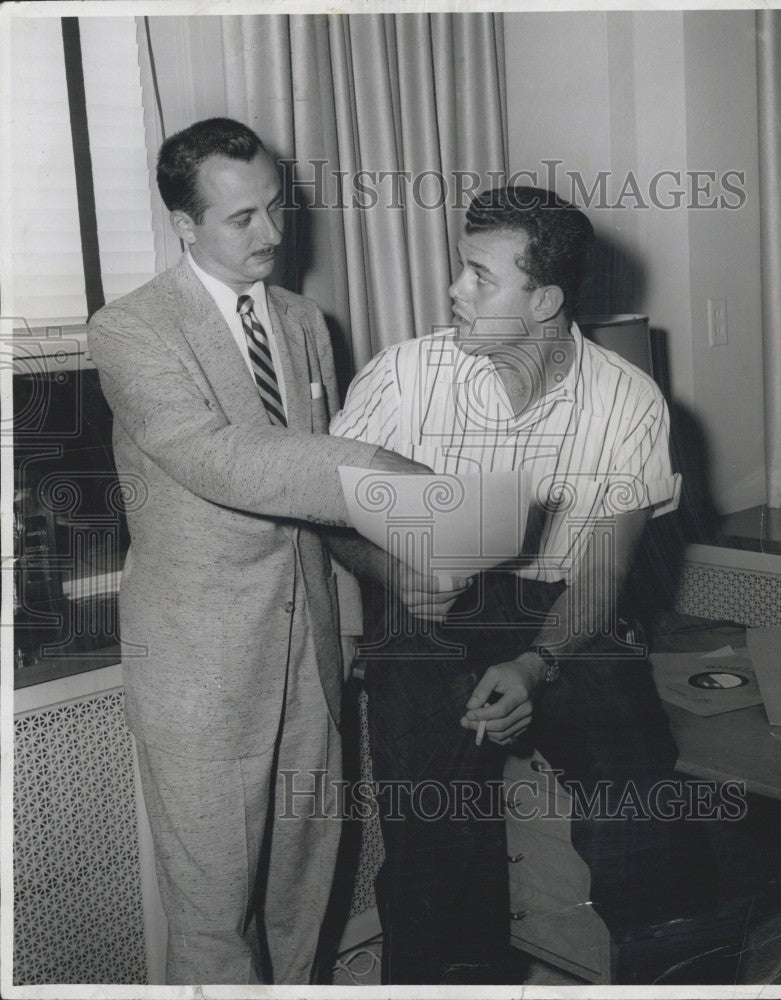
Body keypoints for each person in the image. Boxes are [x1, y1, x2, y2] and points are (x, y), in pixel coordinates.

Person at [87, 117, 433, 985]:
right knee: (213, 911)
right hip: (199, 666)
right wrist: (381, 472)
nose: (272, 235)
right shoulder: (130, 331)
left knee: (302, 887)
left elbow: (312, 512)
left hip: (310, 647)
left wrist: (347, 620)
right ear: (186, 224)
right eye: (242, 218)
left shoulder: (307, 321)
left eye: (276, 208)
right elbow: (217, 457)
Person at [329, 186, 685, 984]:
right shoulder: (404, 374)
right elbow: (329, 513)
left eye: (479, 275)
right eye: (462, 268)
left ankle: (666, 970)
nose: (455, 289)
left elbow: (605, 571)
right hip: (426, 603)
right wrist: (393, 572)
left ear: (547, 299)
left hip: (560, 607)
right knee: (436, 827)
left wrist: (538, 665)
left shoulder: (629, 399)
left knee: (640, 782)